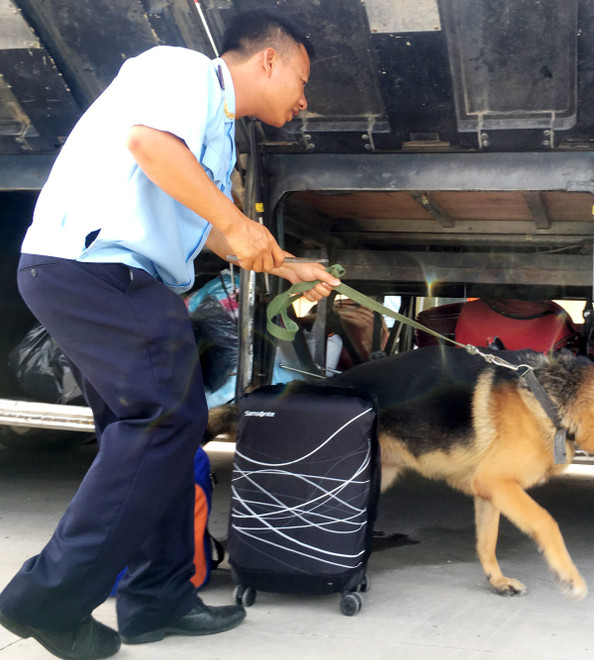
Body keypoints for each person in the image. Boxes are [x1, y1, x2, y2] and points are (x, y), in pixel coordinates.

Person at [0, 10, 338, 660]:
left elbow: (208, 220)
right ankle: (47, 596)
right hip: (93, 268)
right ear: (269, 59)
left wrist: (288, 264)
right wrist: (236, 222)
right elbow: (149, 147)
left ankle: (156, 599)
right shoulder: (182, 72)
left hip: (114, 278)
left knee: (150, 434)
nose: (304, 98)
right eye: (301, 77)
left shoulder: (217, 132)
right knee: (165, 422)